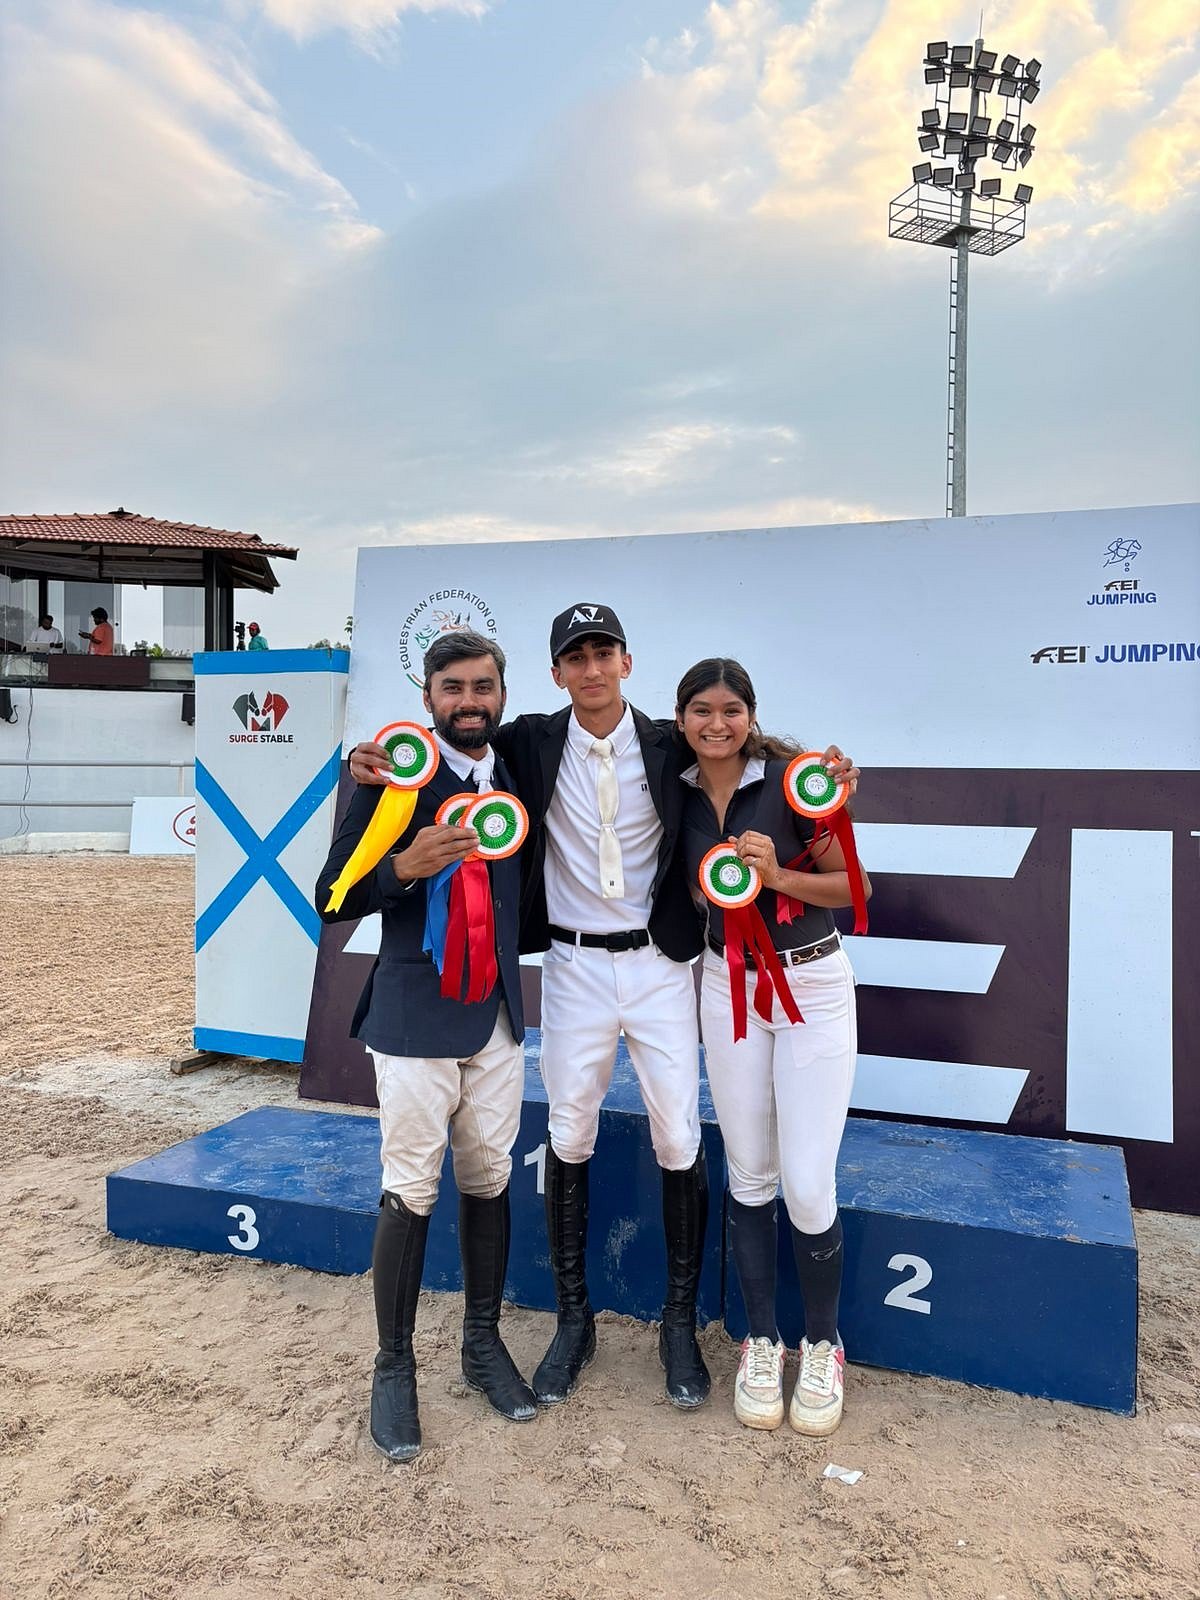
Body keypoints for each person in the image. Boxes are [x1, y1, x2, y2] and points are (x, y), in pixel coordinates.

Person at [350, 603, 859, 1415]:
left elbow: (753, 753)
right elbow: (442, 752)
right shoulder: (523, 742)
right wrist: (361, 758)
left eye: (604, 653)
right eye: (574, 658)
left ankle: (679, 1326)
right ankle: (574, 1321)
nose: (590, 669)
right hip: (573, 967)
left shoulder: (671, 745)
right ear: (555, 675)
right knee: (568, 1132)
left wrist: (826, 779)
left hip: (660, 966)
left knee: (679, 1135)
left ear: (627, 661)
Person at [317, 629, 536, 1463]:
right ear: (428, 699)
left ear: (502, 695)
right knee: (410, 1186)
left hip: (498, 1017)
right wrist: (402, 867)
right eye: (454, 689)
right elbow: (332, 899)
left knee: (488, 1177)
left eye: (483, 687)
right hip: (413, 1017)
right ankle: (393, 1367)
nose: (470, 701)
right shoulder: (390, 777)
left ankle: (481, 1345)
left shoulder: (514, 766)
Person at [675, 657, 870, 1438]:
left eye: (730, 710)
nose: (715, 724)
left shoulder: (797, 781)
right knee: (750, 1171)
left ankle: (823, 1346)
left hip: (812, 985)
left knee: (808, 1181)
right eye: (700, 710)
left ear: (750, 716)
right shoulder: (675, 784)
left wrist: (778, 877)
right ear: (681, 718)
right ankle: (763, 1341)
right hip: (727, 985)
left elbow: (854, 892)